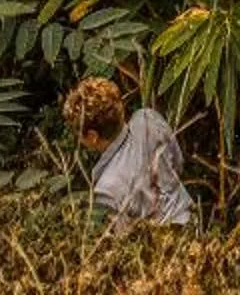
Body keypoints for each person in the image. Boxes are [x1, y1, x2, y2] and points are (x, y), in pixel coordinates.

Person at [63, 75, 193, 229]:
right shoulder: (147, 119)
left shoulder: (106, 189)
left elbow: (124, 237)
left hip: (165, 239)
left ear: (92, 136)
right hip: (191, 220)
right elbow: (178, 163)